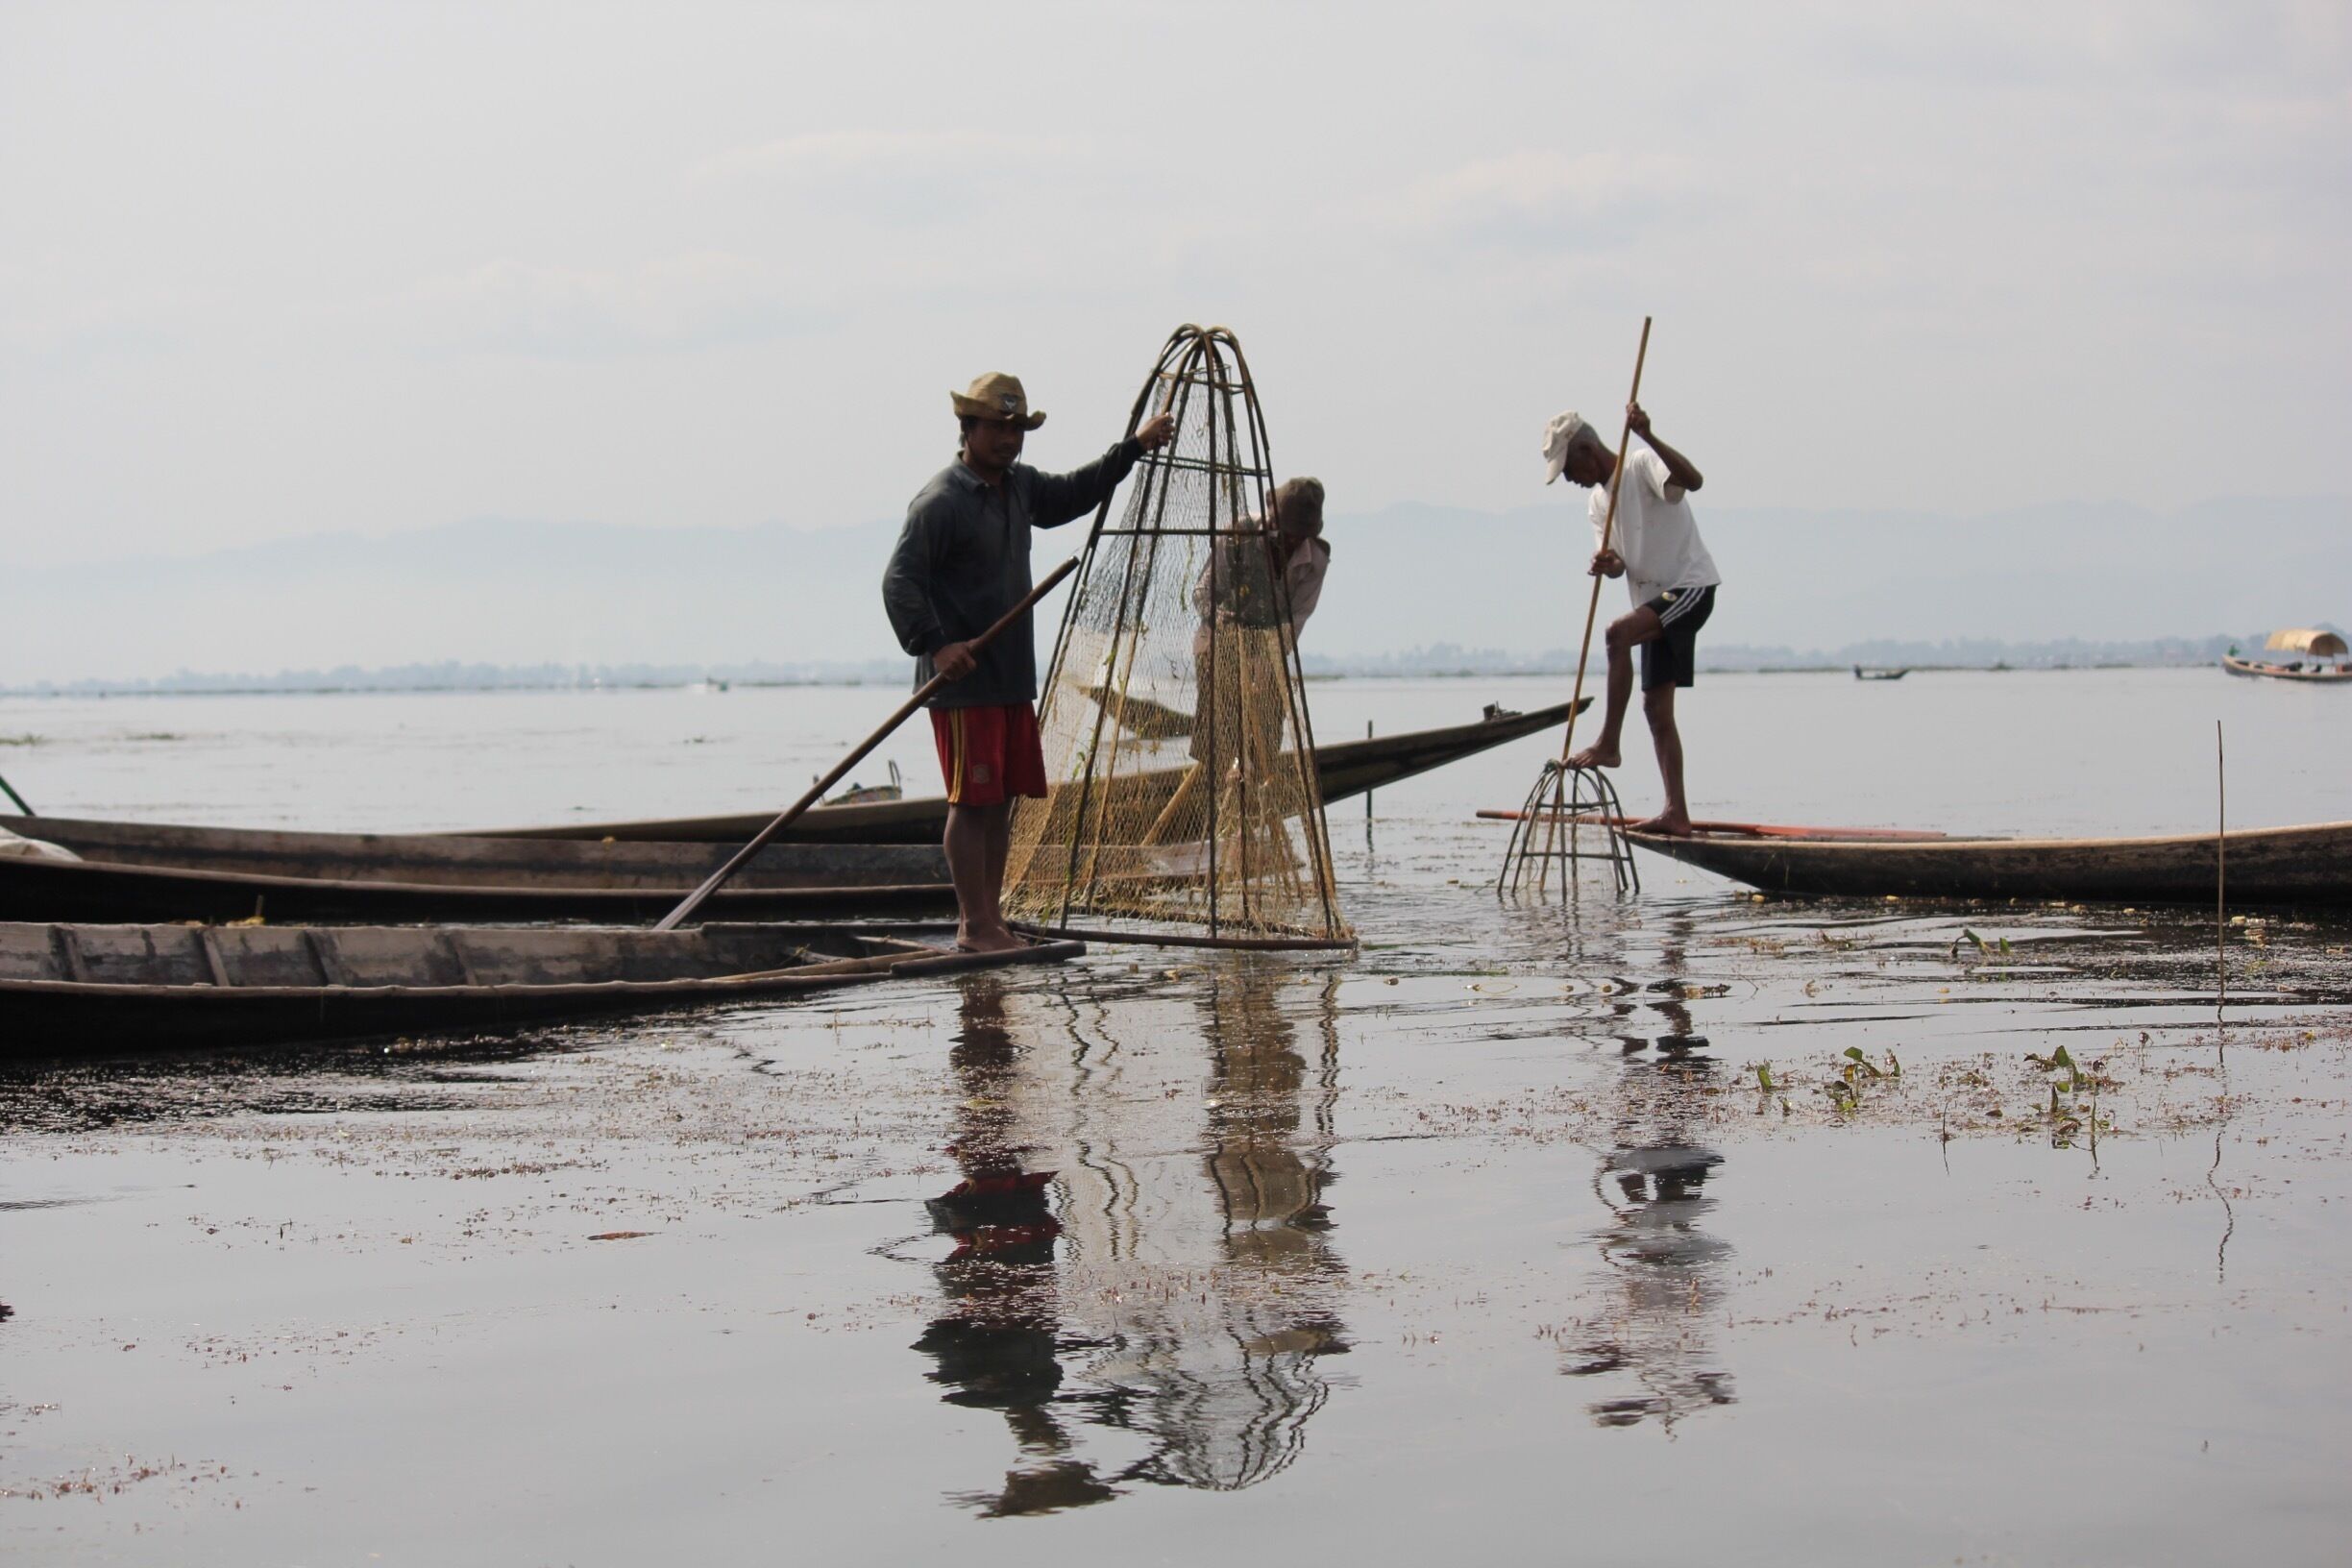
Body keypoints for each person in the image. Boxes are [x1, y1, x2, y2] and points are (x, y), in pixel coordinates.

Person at [883, 372, 1175, 951]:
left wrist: (1135, 448)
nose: (1009, 439)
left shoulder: (1019, 488)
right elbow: (900, 582)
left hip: (1011, 678)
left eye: (1017, 429)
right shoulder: (940, 502)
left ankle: (990, 920)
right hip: (961, 683)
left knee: (1002, 804)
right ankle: (973, 927)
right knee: (972, 802)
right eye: (997, 427)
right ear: (968, 428)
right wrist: (939, 644)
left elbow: (1074, 491)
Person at [1541, 402, 1717, 836]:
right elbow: (1620, 563)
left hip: (1690, 587)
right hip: (1654, 601)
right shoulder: (1598, 503)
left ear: (1586, 450)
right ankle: (1677, 813)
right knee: (1656, 708)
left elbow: (1692, 481)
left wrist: (1648, 435)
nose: (1569, 480)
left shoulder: (1639, 466)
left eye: (1568, 469)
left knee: (1617, 634)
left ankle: (1609, 744)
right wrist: (1608, 564)